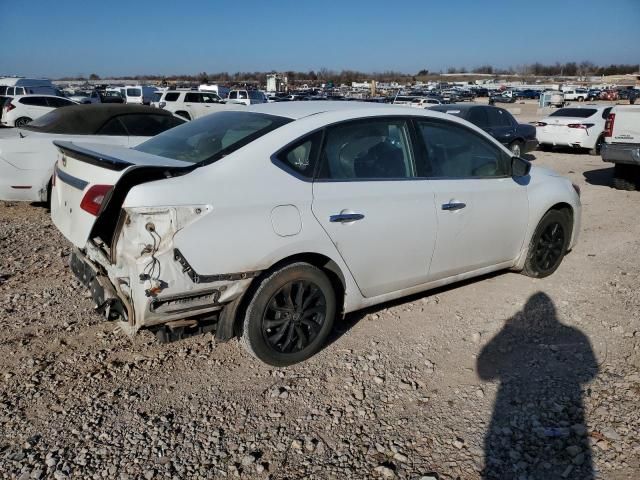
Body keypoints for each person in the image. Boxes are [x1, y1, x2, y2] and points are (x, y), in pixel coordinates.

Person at [477, 292, 598, 479]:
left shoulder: (512, 331)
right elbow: (590, 373)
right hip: (559, 411)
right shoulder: (575, 334)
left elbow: (483, 372)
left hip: (511, 409)